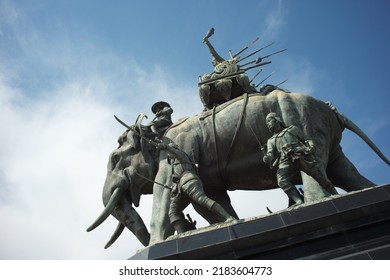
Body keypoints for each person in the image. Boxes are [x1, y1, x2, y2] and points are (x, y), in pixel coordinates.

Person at [158, 141, 235, 233]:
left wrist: (165, 147)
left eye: (169, 153)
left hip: (189, 181)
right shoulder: (175, 164)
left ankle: (229, 217)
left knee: (203, 200)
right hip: (181, 187)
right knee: (173, 212)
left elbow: (175, 152)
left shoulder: (181, 155)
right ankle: (182, 233)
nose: (169, 155)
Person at [262, 112, 337, 206]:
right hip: (285, 160)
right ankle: (298, 200)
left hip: (300, 154)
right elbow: (270, 155)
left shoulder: (292, 129)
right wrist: (267, 158)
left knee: (320, 176)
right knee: (282, 180)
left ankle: (335, 194)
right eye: (267, 123)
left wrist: (309, 148)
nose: (268, 124)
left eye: (269, 121)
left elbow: (307, 140)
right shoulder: (271, 141)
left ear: (277, 120)